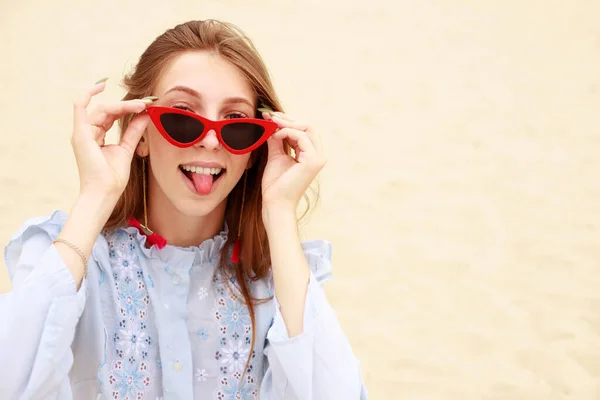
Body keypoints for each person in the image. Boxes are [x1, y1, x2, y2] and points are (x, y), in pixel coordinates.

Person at [0, 19, 367, 399]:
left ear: (256, 150)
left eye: (236, 123)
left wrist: (279, 210)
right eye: (182, 116)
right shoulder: (77, 263)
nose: (210, 140)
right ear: (140, 133)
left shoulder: (278, 280)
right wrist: (95, 194)